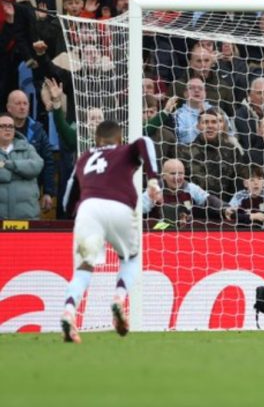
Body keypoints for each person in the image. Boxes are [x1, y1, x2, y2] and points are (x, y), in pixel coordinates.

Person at [58, 120, 160, 343]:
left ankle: (68, 310)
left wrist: (70, 214)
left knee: (84, 267)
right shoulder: (124, 151)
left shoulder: (84, 158)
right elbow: (144, 141)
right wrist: (153, 179)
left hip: (88, 210)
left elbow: (69, 195)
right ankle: (118, 298)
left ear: (96, 140)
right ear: (120, 139)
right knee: (130, 258)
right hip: (119, 206)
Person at [0, 113, 44, 219]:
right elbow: (3, 175)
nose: (8, 129)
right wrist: (23, 173)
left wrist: (8, 164)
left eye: (11, 126)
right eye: (3, 126)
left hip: (28, 216)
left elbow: (37, 166)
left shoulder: (27, 147)